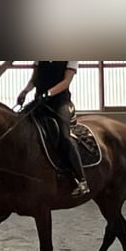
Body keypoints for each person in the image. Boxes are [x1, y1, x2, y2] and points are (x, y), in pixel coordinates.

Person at [17, 61, 90, 196]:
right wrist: (25, 91)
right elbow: (35, 79)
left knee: (64, 136)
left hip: (60, 103)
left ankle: (81, 180)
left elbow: (66, 82)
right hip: (40, 102)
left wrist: (48, 94)